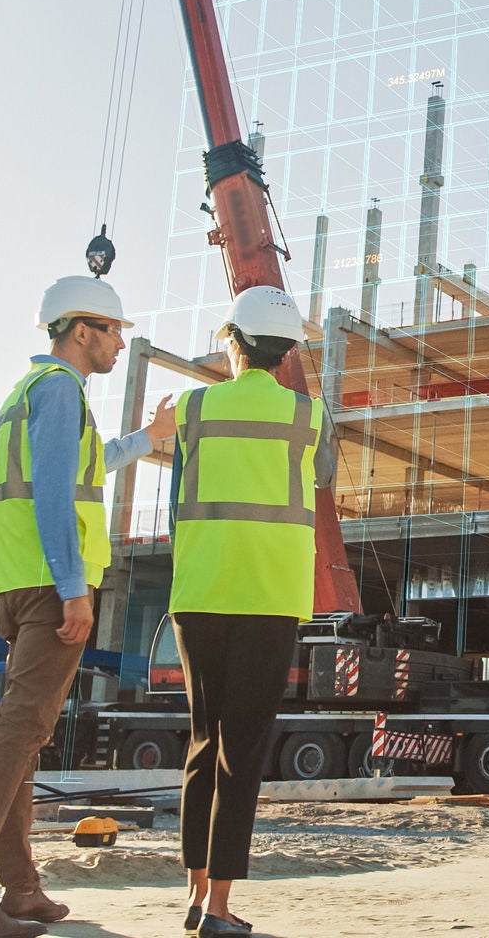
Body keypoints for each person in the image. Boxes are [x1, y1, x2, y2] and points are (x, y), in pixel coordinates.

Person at [0, 276, 175, 938]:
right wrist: (72, 588)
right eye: (114, 330)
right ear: (82, 331)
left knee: (21, 736)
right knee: (18, 734)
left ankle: (20, 885)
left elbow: (83, 470)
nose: (122, 342)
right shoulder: (62, 391)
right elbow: (56, 494)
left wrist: (148, 437)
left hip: (18, 581)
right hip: (50, 582)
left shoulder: (28, 393)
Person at [170, 286, 332, 936]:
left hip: (201, 594)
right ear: (290, 350)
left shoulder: (193, 407)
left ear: (231, 341)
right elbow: (320, 480)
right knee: (243, 750)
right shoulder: (308, 415)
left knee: (203, 744)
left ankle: (193, 893)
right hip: (269, 599)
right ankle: (220, 910)